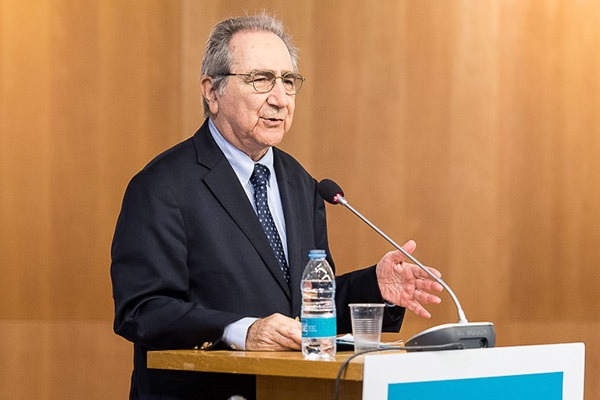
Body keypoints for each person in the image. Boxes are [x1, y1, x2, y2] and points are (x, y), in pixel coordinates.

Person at [110, 12, 443, 400]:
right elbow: (143, 309)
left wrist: (375, 287)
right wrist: (242, 331)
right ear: (211, 91)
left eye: (288, 81)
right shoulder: (162, 186)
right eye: (261, 79)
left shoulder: (300, 183)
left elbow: (304, 309)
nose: (280, 98)